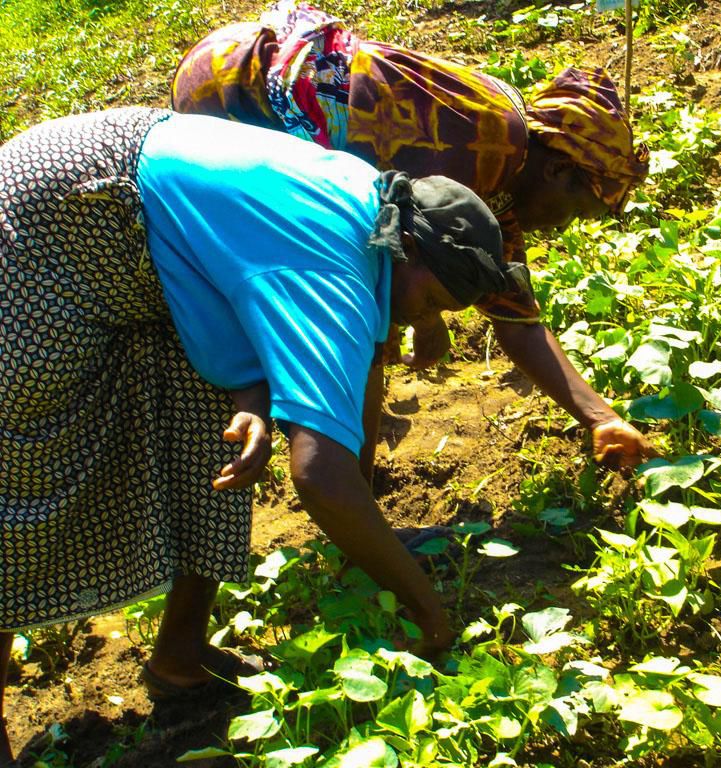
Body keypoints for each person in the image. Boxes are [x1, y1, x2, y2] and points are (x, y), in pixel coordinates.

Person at [0, 106, 518, 764]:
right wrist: (427, 607)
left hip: (137, 236)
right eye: (430, 304)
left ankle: (180, 657)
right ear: (408, 252)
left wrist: (250, 395)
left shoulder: (373, 209)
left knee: (220, 434)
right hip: (53, 218)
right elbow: (320, 474)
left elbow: (234, 259)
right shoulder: (343, 265)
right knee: (18, 481)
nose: (419, 322)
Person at [171, 2, 658, 482]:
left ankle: (347, 492)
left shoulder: (508, 164)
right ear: (558, 170)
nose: (564, 228)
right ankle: (347, 503)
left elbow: (515, 315)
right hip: (234, 93)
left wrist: (602, 418)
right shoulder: (477, 147)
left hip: (241, 59)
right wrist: (417, 315)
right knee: (350, 317)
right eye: (577, 211)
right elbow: (371, 300)